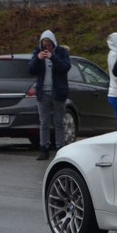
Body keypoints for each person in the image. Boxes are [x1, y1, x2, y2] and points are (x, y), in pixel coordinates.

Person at [28, 30, 71, 160]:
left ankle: (60, 148)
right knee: (44, 122)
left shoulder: (62, 52)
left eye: (49, 45)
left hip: (58, 92)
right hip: (43, 92)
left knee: (58, 122)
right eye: (44, 45)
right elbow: (31, 70)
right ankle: (44, 148)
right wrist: (37, 59)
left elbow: (65, 67)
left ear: (53, 44)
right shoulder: (37, 53)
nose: (46, 48)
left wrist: (53, 57)